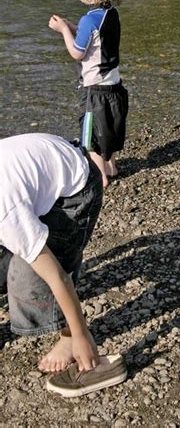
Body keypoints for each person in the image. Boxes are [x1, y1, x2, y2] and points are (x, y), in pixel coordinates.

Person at [0, 133, 104, 374]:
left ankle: (67, 336)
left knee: (29, 273)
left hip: (77, 186)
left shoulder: (6, 214)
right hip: (45, 162)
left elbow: (57, 275)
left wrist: (80, 335)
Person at [49, 0, 128, 187]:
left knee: (92, 135)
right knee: (110, 128)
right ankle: (112, 166)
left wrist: (64, 30)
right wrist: (74, 27)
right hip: (114, 85)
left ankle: (98, 176)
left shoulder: (88, 19)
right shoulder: (110, 14)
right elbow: (97, 38)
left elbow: (77, 52)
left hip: (94, 90)